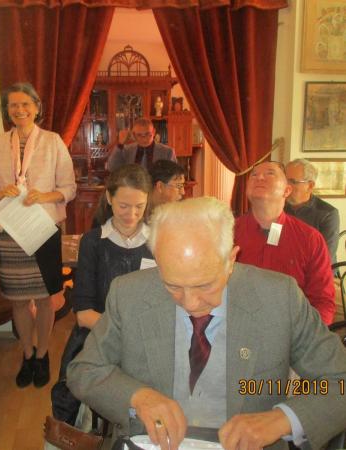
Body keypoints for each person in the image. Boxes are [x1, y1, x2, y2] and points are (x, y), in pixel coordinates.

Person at [67, 197, 346, 450]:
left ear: (231, 259)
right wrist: (137, 397)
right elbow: (84, 371)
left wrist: (281, 419)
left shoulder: (279, 298)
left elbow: (339, 382)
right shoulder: (129, 294)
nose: (190, 303)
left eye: (204, 285)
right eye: (172, 285)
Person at [0, 82, 76, 388]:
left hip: (43, 229)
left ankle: (43, 353)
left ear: (37, 108)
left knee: (46, 299)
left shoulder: (53, 141)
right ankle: (27, 353)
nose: (19, 110)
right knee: (19, 302)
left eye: (25, 104)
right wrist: (1, 192)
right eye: (13, 105)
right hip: (10, 232)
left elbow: (69, 188)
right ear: (6, 110)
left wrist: (45, 196)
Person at [52, 164, 154, 425]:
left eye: (139, 206)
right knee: (69, 395)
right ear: (109, 198)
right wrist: (125, 335)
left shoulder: (157, 242)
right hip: (97, 333)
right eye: (124, 206)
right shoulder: (93, 242)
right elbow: (83, 314)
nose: (132, 214)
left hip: (146, 338)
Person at [234, 161, 335, 325]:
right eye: (254, 174)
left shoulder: (310, 239)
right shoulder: (228, 234)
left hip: (292, 330)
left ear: (287, 190)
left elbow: (322, 301)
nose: (259, 177)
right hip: (239, 327)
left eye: (270, 173)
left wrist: (309, 336)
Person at [284, 158, 339, 263]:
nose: (286, 186)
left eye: (292, 181)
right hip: (284, 266)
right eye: (284, 180)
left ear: (310, 186)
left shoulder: (327, 214)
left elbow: (326, 258)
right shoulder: (279, 207)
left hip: (314, 269)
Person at [107, 118, 176, 173]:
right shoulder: (126, 150)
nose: (144, 139)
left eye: (147, 134)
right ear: (134, 135)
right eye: (139, 135)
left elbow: (174, 175)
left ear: (154, 132)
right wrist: (120, 144)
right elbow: (111, 168)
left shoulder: (167, 152)